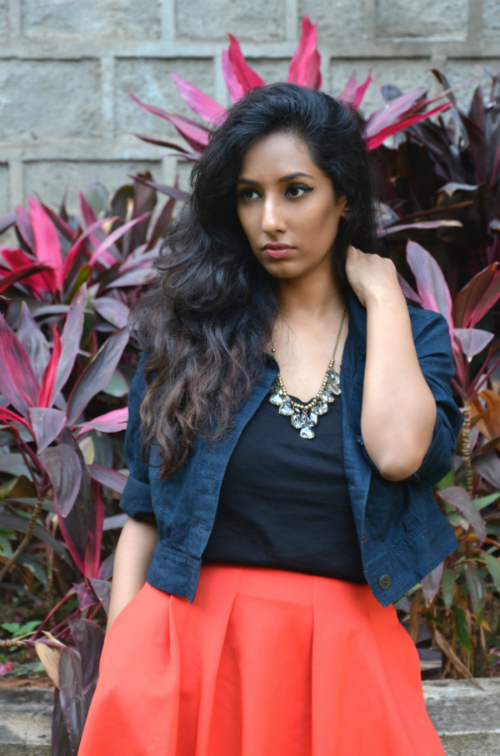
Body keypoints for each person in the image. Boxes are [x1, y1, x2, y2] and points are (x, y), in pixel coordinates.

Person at [78, 83, 463, 756]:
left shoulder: (411, 338)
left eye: (296, 190)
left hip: (347, 660)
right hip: (188, 653)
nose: (269, 220)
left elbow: (401, 452)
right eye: (251, 194)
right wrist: (124, 667)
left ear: (344, 200)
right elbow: (142, 512)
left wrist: (384, 299)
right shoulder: (190, 335)